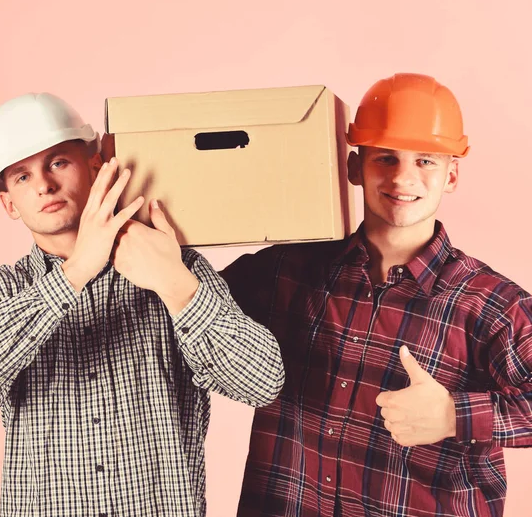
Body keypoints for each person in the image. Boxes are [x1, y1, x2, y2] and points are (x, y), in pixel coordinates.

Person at [0, 92, 284, 517]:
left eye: (57, 162)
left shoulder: (176, 267)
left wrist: (174, 284)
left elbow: (262, 382)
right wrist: (76, 271)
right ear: (8, 202)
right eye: (22, 177)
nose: (44, 185)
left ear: (96, 165)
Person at [221, 73, 532, 517]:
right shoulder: (285, 271)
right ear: (353, 167)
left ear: (452, 175)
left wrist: (453, 415)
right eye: (385, 158)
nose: (403, 178)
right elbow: (190, 311)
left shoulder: (493, 306)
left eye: (426, 161)